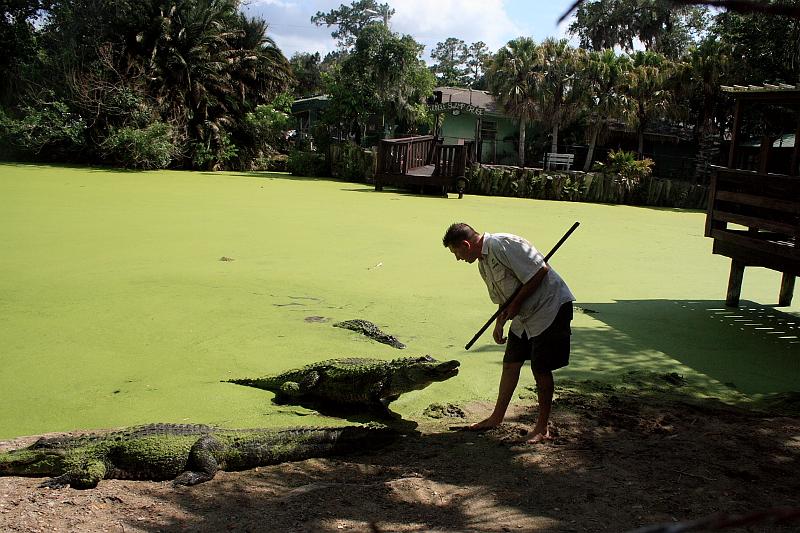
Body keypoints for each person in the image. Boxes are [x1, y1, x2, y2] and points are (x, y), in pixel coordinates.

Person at [442, 222, 575, 444]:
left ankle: (542, 428)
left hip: (549, 308)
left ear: (465, 244)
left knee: (540, 368)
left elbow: (540, 271)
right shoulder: (483, 263)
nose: (457, 258)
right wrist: (499, 323)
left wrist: (515, 305)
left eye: (456, 252)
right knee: (511, 363)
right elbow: (506, 297)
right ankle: (496, 417)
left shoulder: (504, 244)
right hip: (523, 316)